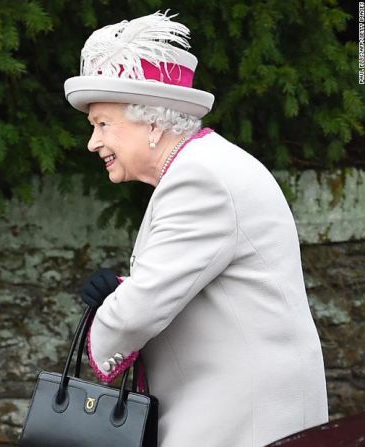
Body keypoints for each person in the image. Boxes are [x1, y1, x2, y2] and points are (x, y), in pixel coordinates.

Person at [64, 11, 329, 447]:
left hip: (243, 419)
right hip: (243, 410)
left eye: (103, 124)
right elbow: (191, 280)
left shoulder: (198, 179)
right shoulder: (204, 166)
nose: (93, 142)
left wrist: (105, 322)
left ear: (151, 123)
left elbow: (140, 310)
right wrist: (124, 287)